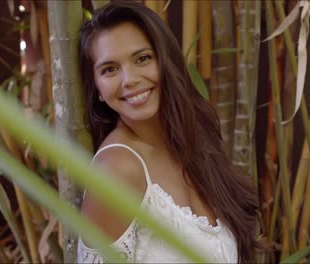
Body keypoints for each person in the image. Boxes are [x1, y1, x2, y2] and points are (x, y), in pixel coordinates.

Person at [76, 2, 258, 263]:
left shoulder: (194, 144)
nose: (129, 79)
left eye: (142, 58)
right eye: (110, 69)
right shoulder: (116, 168)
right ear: (98, 90)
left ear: (166, 61)